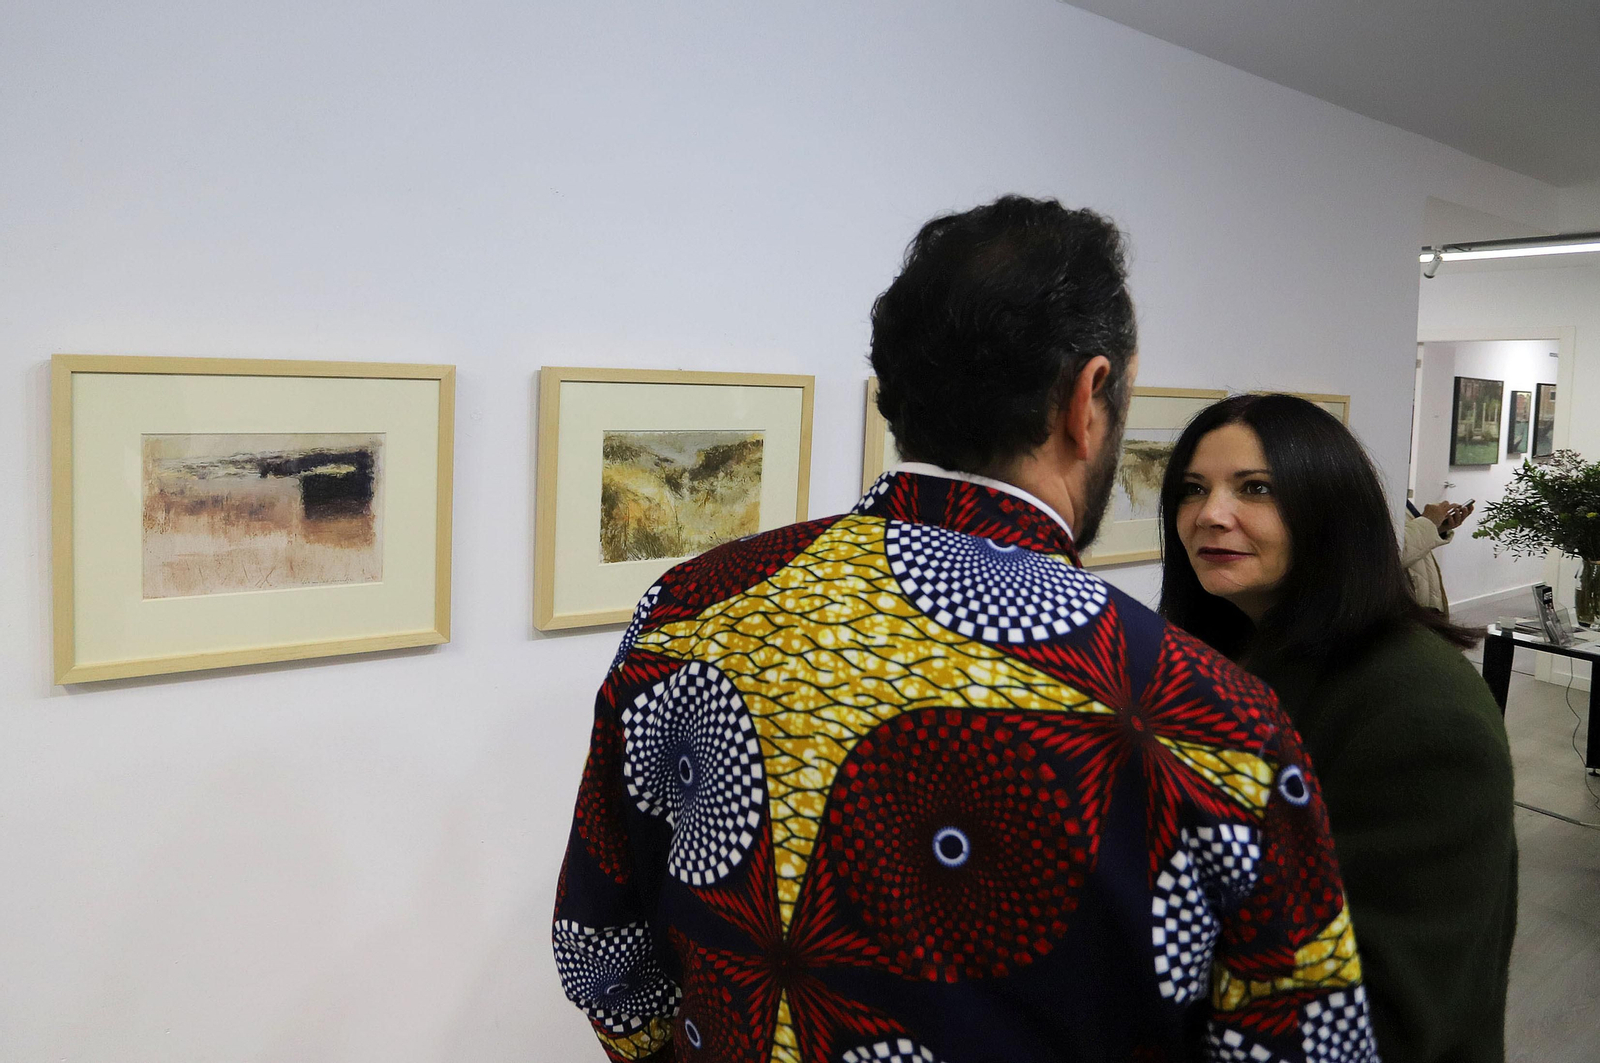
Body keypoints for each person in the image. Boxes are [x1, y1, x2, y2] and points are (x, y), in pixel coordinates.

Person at [553, 198, 1379, 1063]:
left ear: (896, 394)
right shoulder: (1213, 720)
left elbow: (600, 946)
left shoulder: (692, 609)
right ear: (1087, 396)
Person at [1157, 393, 1516, 1063]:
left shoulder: (1420, 708)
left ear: (1329, 509)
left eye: (1255, 488)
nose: (1210, 514)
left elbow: (1386, 1013)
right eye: (1192, 490)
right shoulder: (1227, 656)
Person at [1401, 498, 1473, 617]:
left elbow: (1405, 541)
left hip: (1421, 603)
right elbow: (1386, 555)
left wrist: (1437, 527)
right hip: (1402, 612)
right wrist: (1428, 522)